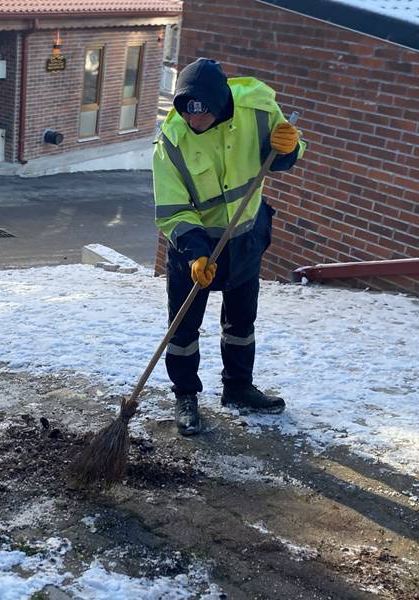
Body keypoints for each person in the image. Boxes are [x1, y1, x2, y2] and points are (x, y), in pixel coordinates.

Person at [153, 58, 304, 436]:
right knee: (183, 327)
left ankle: (238, 387)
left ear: (220, 105)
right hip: (196, 246)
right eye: (186, 112)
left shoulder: (258, 109)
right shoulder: (171, 141)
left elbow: (284, 153)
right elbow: (172, 209)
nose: (193, 121)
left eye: (201, 113)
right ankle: (185, 395)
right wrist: (195, 253)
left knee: (241, 320)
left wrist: (288, 149)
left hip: (245, 236)